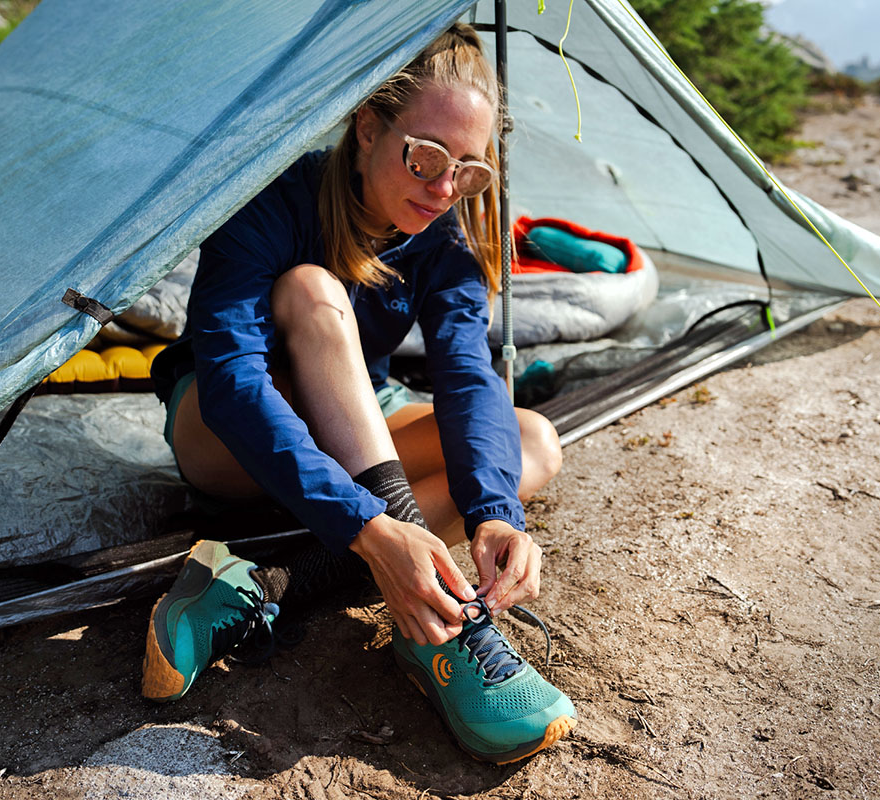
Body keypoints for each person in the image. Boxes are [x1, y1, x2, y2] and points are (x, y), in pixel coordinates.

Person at [139, 24, 575, 764]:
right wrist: (375, 529)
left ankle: (266, 582)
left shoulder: (446, 242)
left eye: (468, 171)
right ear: (367, 128)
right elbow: (233, 385)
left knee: (531, 441)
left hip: (353, 422)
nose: (444, 190)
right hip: (228, 434)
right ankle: (434, 606)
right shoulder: (273, 200)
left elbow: (468, 376)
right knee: (313, 290)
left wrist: (495, 514)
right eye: (428, 157)